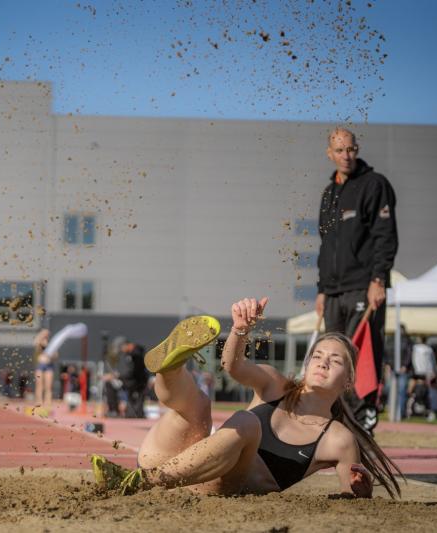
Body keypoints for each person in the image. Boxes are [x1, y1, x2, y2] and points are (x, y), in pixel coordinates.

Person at [92, 298, 402, 498]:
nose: (322, 362)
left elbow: (354, 493)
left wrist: (361, 488)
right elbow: (233, 366)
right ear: (306, 365)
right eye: (317, 355)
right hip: (175, 462)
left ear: (348, 381)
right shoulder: (276, 384)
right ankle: (170, 370)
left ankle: (143, 481)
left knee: (246, 422)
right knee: (198, 405)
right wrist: (240, 330)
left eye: (334, 361)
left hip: (218, 486)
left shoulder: (338, 438)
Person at [314, 127, 398, 432]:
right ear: (330, 154)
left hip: (363, 285)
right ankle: (337, 421)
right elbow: (325, 245)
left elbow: (384, 236)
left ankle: (364, 420)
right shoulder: (328, 194)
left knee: (358, 353)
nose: (345, 156)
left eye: (350, 149)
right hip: (333, 291)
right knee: (331, 355)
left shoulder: (374, 185)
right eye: (339, 151)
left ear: (357, 149)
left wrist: (379, 279)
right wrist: (322, 291)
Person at [119, 343, 149, 418]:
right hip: (138, 380)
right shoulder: (133, 354)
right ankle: (134, 413)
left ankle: (135, 414)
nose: (123, 351)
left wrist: (123, 377)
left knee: (137, 397)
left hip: (138, 380)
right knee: (136, 398)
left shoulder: (135, 354)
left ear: (129, 345)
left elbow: (136, 369)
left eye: (123, 348)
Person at [33, 329, 55, 409]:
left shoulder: (51, 344)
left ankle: (48, 403)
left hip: (49, 365)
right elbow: (35, 343)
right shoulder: (39, 343)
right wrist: (42, 335)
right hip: (40, 365)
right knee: (39, 385)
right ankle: (39, 402)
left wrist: (51, 355)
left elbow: (56, 355)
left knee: (48, 386)